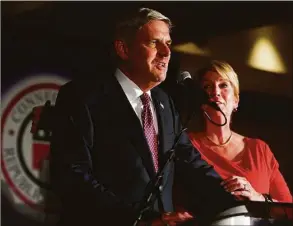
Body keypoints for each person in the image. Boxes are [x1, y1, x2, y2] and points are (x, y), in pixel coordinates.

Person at [49, 8, 238, 226]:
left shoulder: (165, 102)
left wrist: (234, 203)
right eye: (154, 43)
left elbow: (190, 163)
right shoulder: (83, 97)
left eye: (167, 43)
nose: (166, 52)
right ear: (123, 49)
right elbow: (71, 176)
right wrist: (140, 221)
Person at [187, 60, 292, 203]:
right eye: (207, 86)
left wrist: (257, 197)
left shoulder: (259, 149)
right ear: (201, 102)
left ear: (236, 100)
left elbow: (288, 209)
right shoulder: (186, 144)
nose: (216, 92)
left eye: (223, 85)